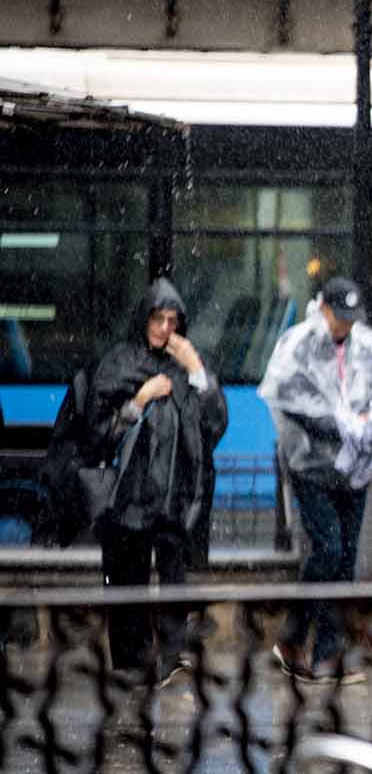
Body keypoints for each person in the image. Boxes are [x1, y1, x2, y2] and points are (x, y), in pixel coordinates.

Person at [259, 277, 372, 684]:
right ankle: (294, 636)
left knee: (346, 556)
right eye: (340, 317)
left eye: (353, 319)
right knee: (328, 547)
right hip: (310, 466)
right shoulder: (299, 343)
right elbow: (284, 398)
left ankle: (327, 655)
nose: (346, 327)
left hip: (353, 467)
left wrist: (371, 422)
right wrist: (332, 426)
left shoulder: (362, 346)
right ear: (324, 310)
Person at [86, 277, 228, 687]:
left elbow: (213, 424)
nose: (165, 328)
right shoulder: (120, 363)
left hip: (175, 493)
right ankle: (131, 661)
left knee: (173, 572)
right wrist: (140, 399)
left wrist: (197, 370)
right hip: (129, 494)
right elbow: (101, 432)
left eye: (172, 320)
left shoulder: (185, 368)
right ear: (143, 320)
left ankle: (169, 653)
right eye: (157, 319)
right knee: (128, 575)